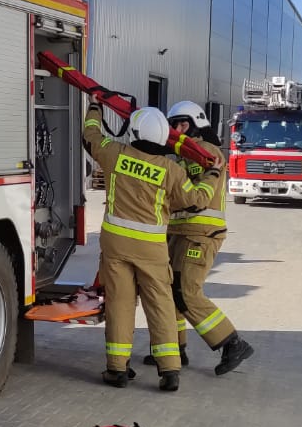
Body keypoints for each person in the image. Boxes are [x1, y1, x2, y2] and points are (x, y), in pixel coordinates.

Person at [83, 100, 221, 392]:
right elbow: (196, 200)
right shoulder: (171, 170)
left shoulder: (115, 153)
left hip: (116, 246)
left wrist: (95, 108)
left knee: (120, 303)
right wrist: (213, 175)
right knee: (160, 304)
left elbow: (90, 136)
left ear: (134, 132)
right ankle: (169, 371)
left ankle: (117, 369)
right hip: (153, 249)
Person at [141, 101, 255, 376]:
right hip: (180, 232)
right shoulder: (182, 156)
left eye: (181, 124)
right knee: (170, 291)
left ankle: (232, 343)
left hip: (201, 234)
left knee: (186, 292)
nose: (177, 130)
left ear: (194, 124)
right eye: (173, 125)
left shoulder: (206, 152)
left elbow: (193, 194)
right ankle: (174, 349)